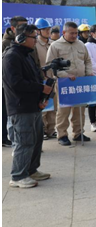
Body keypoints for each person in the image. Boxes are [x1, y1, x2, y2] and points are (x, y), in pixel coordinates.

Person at [3, 23, 53, 188]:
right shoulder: (11, 57)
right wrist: (40, 88)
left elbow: (35, 78)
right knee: (24, 142)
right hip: (20, 107)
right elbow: (16, 84)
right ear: (21, 38)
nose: (35, 40)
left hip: (33, 106)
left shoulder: (26, 55)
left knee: (36, 140)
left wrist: (42, 95)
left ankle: (31, 170)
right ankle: (18, 176)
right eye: (33, 37)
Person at [46, 21, 93, 146]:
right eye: (71, 33)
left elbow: (87, 60)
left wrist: (89, 73)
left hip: (80, 82)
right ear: (64, 32)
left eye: (76, 33)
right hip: (64, 83)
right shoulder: (55, 46)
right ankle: (62, 135)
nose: (74, 36)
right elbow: (50, 65)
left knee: (79, 110)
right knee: (63, 110)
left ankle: (78, 133)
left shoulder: (81, 44)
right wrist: (65, 75)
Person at [3, 16, 29, 148]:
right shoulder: (5, 44)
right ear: (13, 28)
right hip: (10, 85)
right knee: (10, 115)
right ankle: (13, 142)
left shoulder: (27, 41)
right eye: (22, 27)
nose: (26, 30)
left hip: (25, 83)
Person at [33, 18, 58, 141]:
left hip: (52, 79)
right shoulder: (35, 45)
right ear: (38, 31)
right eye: (45, 29)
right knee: (43, 107)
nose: (48, 31)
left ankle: (51, 130)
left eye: (49, 29)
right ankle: (41, 130)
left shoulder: (52, 44)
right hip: (41, 79)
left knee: (53, 107)